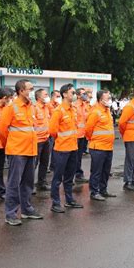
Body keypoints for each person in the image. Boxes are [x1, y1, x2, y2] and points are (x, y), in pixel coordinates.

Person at [0, 79, 42, 226]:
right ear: (21, 91)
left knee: (28, 183)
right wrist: (9, 147)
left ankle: (26, 209)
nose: (32, 91)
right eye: (30, 89)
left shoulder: (31, 107)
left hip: (31, 150)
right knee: (13, 183)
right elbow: (2, 131)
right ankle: (11, 213)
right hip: (17, 151)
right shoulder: (11, 108)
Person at [49, 83, 84, 213]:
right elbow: (52, 130)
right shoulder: (59, 110)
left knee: (69, 177)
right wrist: (61, 139)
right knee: (57, 177)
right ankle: (55, 203)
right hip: (61, 149)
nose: (74, 95)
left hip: (73, 147)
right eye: (72, 93)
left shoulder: (73, 109)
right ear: (64, 94)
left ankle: (69, 200)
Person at [85, 90, 117, 201]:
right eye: (107, 98)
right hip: (98, 147)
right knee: (96, 171)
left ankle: (103, 189)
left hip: (108, 147)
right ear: (100, 99)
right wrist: (92, 140)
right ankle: (94, 192)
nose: (109, 100)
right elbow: (88, 129)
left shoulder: (107, 111)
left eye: (110, 98)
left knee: (106, 170)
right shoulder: (95, 112)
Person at [33, 88, 51, 192]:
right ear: (39, 97)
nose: (47, 96)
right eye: (45, 95)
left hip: (46, 139)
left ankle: (42, 183)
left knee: (45, 163)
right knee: (33, 164)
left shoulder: (46, 108)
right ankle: (31, 185)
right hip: (37, 141)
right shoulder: (34, 108)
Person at [73, 88, 89, 183]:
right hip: (76, 135)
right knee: (75, 157)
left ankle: (78, 174)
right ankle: (75, 175)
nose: (85, 95)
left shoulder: (85, 106)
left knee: (79, 157)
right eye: (83, 94)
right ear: (78, 96)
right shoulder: (75, 106)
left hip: (83, 135)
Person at [47, 90, 61, 173]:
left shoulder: (58, 105)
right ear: (52, 96)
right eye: (57, 96)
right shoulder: (48, 105)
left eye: (59, 96)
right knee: (48, 151)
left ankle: (53, 166)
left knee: (55, 150)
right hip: (50, 131)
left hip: (57, 131)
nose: (58, 98)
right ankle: (47, 167)